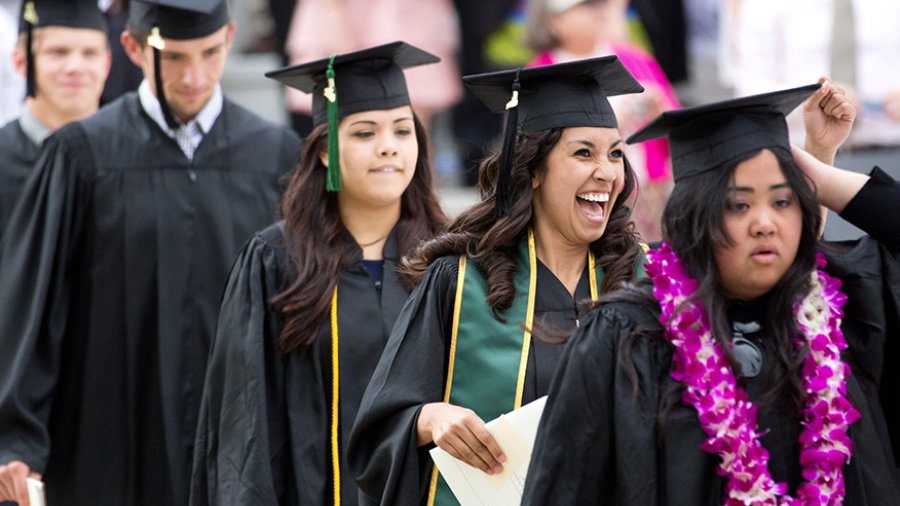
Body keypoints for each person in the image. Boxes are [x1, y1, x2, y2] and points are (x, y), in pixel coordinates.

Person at [521, 82, 900, 504]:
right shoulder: (625, 337)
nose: (765, 224)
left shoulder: (842, 311)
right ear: (696, 218)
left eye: (782, 202)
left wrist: (817, 173)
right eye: (738, 205)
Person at [0, 0, 302, 504]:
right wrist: (18, 435)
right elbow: (37, 304)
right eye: (176, 57)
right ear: (132, 48)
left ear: (230, 38)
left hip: (238, 435)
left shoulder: (273, 154)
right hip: (107, 430)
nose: (194, 76)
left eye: (209, 53)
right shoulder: (81, 153)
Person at [348, 55, 648, 505]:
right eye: (583, 152)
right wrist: (429, 419)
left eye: (616, 154)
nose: (606, 171)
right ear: (533, 169)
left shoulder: (646, 285)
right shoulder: (460, 282)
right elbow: (381, 426)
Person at [189, 41, 448, 506]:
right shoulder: (276, 261)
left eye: (403, 131)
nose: (388, 146)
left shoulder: (447, 262)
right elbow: (245, 425)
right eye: (365, 133)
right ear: (327, 151)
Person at [733, 0, 900, 240]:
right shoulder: (764, 6)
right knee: (810, 260)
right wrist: (819, 97)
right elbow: (748, 91)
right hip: (800, 164)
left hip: (890, 160)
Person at [526, 0, 680, 241]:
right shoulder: (539, 73)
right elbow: (529, 143)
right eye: (582, 7)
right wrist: (612, 120)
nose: (594, 12)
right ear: (554, 22)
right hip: (580, 194)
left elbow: (675, 126)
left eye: (595, 5)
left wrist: (659, 110)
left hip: (643, 187)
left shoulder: (634, 59)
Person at [0, 0, 110, 237]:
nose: (75, 67)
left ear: (107, 64)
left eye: (90, 53)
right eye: (58, 52)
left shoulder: (129, 158)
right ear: (21, 62)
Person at [282, 0, 462, 137]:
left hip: (410, 15)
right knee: (354, 121)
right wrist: (334, 17)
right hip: (348, 15)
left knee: (413, 120)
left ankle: (417, 183)